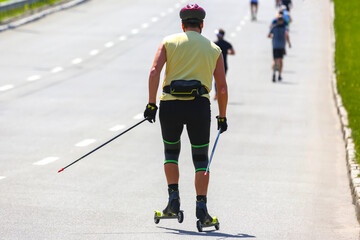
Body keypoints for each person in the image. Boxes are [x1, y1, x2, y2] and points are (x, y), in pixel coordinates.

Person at [143, 4, 228, 226]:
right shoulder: (213, 49)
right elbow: (222, 88)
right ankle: (201, 208)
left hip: (170, 106)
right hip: (198, 107)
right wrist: (222, 116)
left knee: (171, 152)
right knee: (201, 159)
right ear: (202, 24)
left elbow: (154, 72)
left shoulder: (169, 42)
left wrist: (151, 104)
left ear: (182, 25)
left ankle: (173, 200)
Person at [268, 15, 291, 82]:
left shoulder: (274, 27)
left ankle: (274, 72)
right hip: (281, 46)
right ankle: (279, 75)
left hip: (275, 46)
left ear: (277, 20)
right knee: (280, 60)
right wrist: (289, 43)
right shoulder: (284, 28)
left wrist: (273, 36)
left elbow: (269, 35)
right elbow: (286, 35)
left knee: (275, 60)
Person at [214, 29, 235, 100]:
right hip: (224, 65)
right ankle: (221, 94)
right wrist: (226, 52)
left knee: (216, 80)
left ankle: (217, 94)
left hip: (216, 65)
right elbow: (232, 52)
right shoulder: (227, 43)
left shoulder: (214, 44)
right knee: (222, 81)